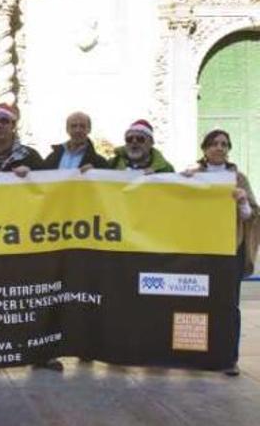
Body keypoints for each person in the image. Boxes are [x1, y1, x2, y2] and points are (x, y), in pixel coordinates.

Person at [184, 129, 260, 377]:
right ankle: (194, 356)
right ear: (204, 149)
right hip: (200, 251)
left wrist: (242, 202)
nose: (220, 148)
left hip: (229, 251)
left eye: (224, 144)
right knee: (195, 303)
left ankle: (229, 359)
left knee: (228, 306)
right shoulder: (192, 176)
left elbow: (251, 217)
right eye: (215, 144)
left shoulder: (238, 178)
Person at [0, 103, 44, 177]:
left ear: (13, 125)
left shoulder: (31, 156)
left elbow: (46, 183)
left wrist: (31, 175)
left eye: (4, 121)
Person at [41, 112, 109, 171]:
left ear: (89, 129)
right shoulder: (52, 158)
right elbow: (40, 179)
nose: (78, 130)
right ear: (67, 129)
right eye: (73, 126)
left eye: (82, 126)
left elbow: (106, 184)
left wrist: (95, 174)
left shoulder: (100, 163)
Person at [108, 119, 174, 173]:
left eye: (140, 139)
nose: (134, 142)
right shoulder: (112, 164)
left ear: (151, 143)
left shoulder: (166, 169)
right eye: (129, 139)